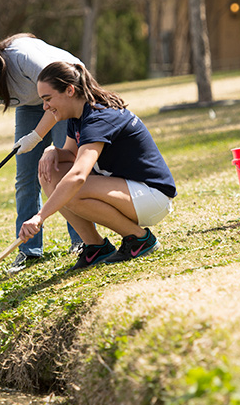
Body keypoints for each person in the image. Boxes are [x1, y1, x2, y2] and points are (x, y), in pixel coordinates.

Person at [18, 61, 177, 270]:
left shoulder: (98, 117)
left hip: (152, 197)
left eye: (48, 99)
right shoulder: (78, 116)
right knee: (51, 173)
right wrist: (51, 151)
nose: (45, 107)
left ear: (69, 90)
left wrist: (39, 217)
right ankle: (96, 246)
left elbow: (78, 176)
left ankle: (139, 239)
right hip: (129, 192)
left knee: (72, 188)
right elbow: (70, 156)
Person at [0, 34, 84, 273]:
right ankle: (29, 250)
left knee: (66, 168)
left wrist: (36, 136)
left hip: (67, 93)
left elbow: (60, 92)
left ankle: (82, 240)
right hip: (32, 104)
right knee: (25, 176)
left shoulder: (21, 58)